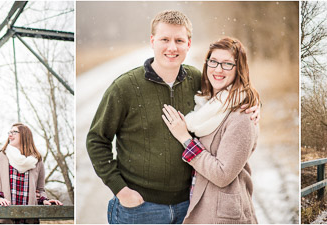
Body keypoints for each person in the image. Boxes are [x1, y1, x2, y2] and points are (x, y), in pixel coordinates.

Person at [86, 10, 259, 224]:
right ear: (152, 41)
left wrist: (253, 105)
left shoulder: (198, 80)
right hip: (140, 209)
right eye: (164, 39)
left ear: (188, 44)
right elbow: (97, 140)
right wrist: (121, 190)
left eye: (179, 40)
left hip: (190, 206)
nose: (172, 47)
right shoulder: (125, 88)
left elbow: (229, 96)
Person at [160, 37, 260, 224]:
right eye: (213, 62)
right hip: (200, 206)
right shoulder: (205, 104)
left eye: (227, 64)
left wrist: (185, 139)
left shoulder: (242, 115)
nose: (218, 69)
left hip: (224, 216)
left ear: (239, 69)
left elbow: (222, 175)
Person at [0, 123, 62, 224]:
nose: (10, 135)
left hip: (29, 218)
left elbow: (40, 190)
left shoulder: (37, 160)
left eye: (14, 132)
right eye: (9, 132)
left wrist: (45, 200)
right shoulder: (1, 156)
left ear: (25, 135)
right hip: (5, 216)